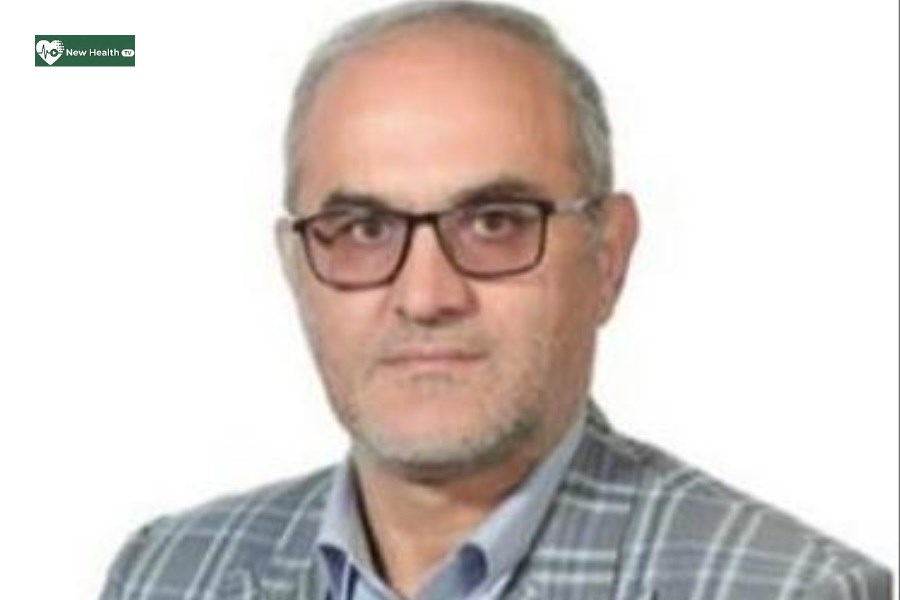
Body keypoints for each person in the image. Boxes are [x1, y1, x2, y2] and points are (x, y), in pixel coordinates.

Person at [99, 2, 891, 599]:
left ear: (608, 256)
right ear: (296, 268)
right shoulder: (166, 574)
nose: (425, 296)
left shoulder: (793, 589)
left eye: (495, 223)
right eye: (365, 228)